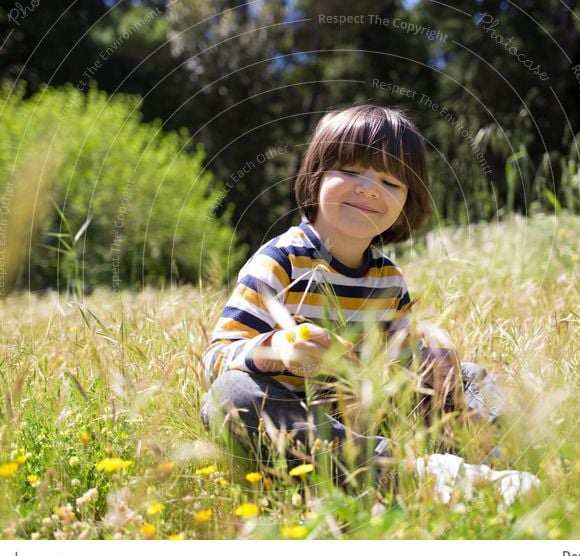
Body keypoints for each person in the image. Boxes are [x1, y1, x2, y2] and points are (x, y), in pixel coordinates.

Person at [201, 105, 503, 481]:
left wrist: (438, 379)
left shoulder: (388, 278)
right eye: (351, 171)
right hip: (294, 413)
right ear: (317, 176)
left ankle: (497, 454)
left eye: (390, 183)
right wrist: (277, 350)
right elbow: (215, 360)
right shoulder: (281, 262)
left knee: (470, 376)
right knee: (232, 395)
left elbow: (402, 369)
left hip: (363, 412)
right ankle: (400, 473)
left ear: (407, 201)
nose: (368, 189)